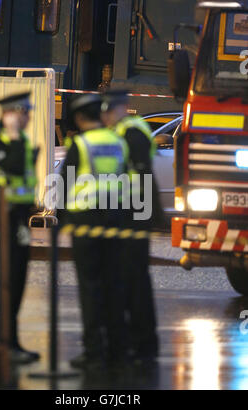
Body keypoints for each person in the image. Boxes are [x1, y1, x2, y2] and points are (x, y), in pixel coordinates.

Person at [58, 94, 129, 374]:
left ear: (78, 118)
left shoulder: (81, 144)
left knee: (90, 288)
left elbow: (64, 186)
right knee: (112, 286)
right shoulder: (117, 142)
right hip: (113, 221)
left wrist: (62, 221)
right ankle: (116, 350)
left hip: (85, 224)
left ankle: (93, 352)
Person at [0, 92, 40, 364]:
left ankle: (11, 343)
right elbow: (13, 167)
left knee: (17, 281)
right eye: (23, 113)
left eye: (28, 113)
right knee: (4, 283)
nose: (27, 118)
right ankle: (1, 345)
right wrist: (13, 137)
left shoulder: (21, 140)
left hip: (19, 219)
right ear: (9, 114)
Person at [101, 89, 164, 365]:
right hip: (132, 213)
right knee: (131, 280)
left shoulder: (132, 132)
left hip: (135, 215)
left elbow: (140, 178)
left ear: (120, 108)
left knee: (135, 282)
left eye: (108, 111)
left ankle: (144, 344)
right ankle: (137, 342)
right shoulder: (126, 130)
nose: (105, 117)